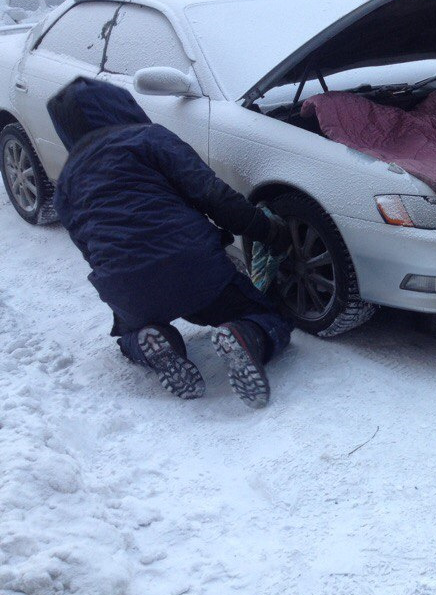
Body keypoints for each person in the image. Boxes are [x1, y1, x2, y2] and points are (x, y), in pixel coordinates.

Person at [48, 77, 293, 408]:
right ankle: (244, 335)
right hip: (196, 269)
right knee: (263, 314)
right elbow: (212, 195)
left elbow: (90, 249)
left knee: (130, 332)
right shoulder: (149, 138)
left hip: (127, 285)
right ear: (121, 106)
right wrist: (268, 232)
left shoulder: (66, 184)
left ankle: (152, 341)